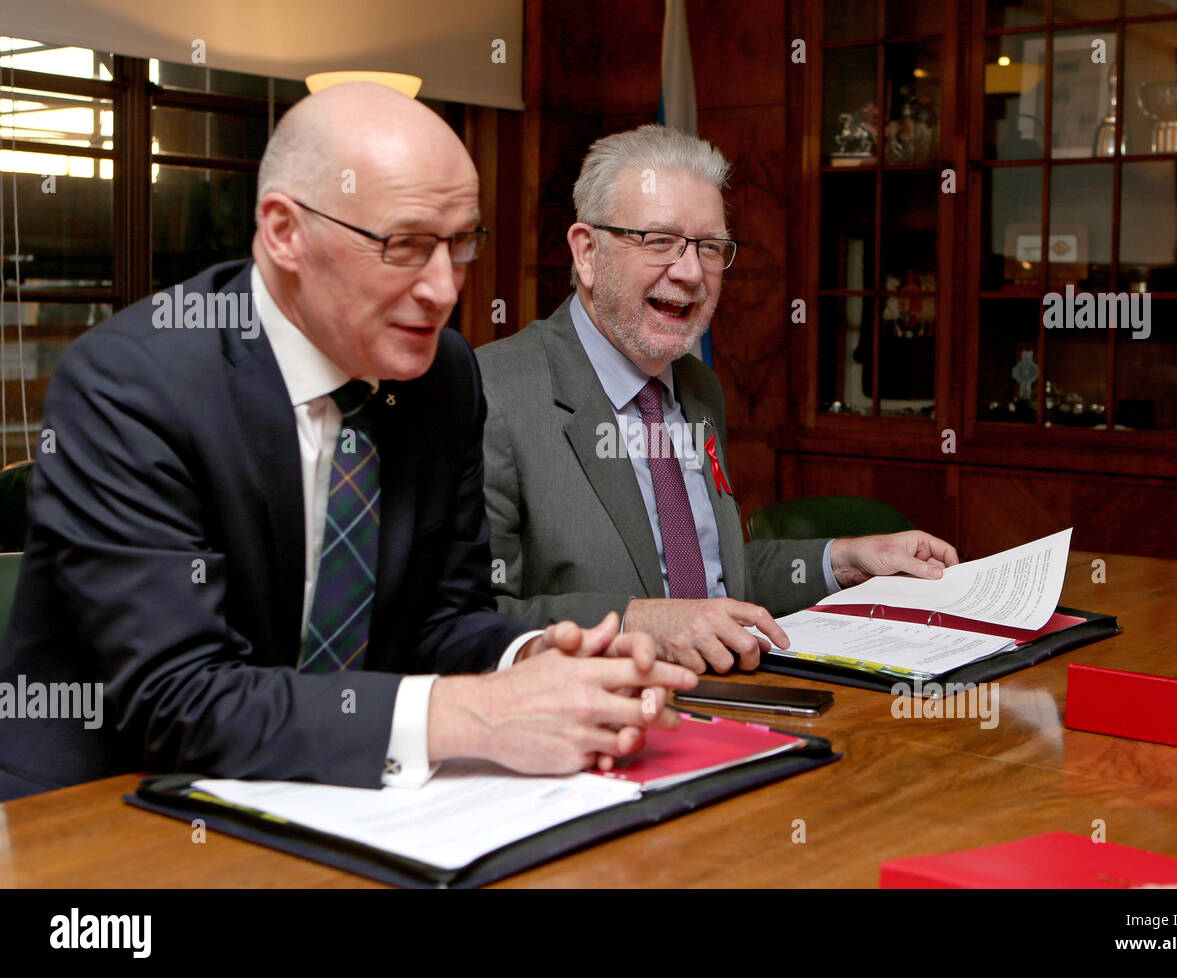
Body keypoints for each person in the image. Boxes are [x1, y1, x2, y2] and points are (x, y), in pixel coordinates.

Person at [0, 85, 695, 802]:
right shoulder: (132, 386)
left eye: (459, 245)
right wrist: (466, 716)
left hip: (346, 796)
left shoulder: (443, 378)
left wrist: (532, 659)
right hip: (109, 809)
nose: (442, 289)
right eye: (404, 245)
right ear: (283, 232)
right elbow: (176, 698)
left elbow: (439, 619)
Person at [476, 125, 958, 675]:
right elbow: (472, 618)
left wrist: (844, 561)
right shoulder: (491, 395)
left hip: (740, 705)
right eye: (659, 241)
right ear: (587, 252)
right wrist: (637, 622)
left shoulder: (699, 388)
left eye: (709, 247)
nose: (689, 273)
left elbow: (712, 578)